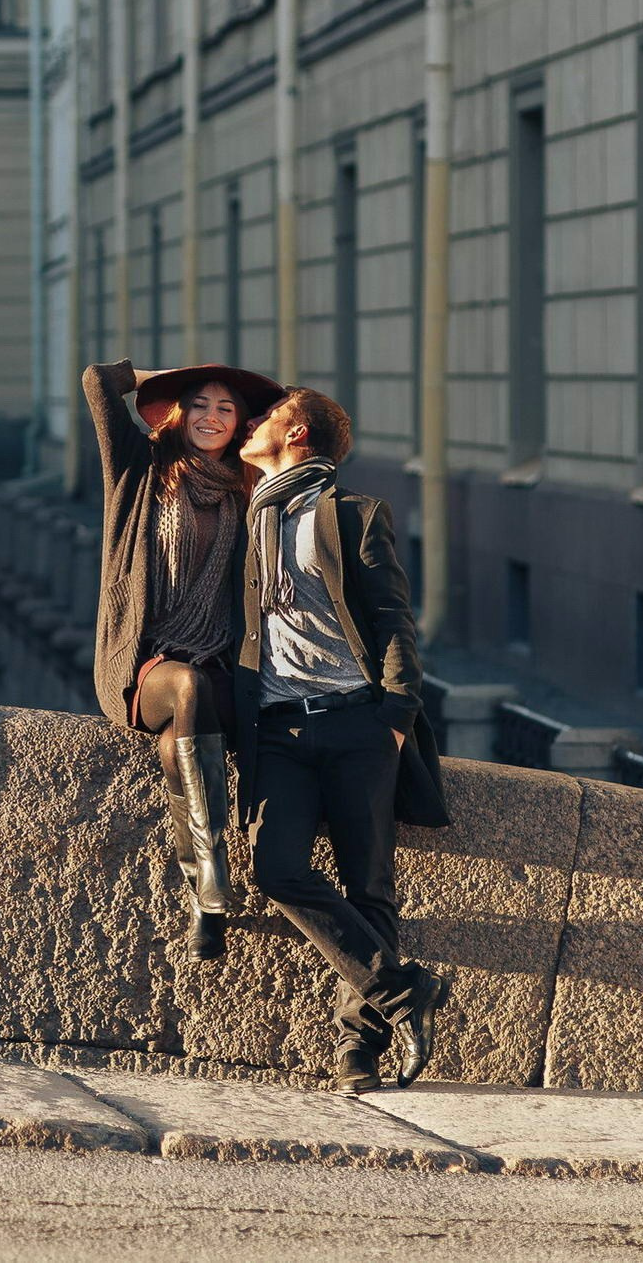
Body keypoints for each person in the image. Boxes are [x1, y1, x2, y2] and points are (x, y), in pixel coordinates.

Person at [236, 386, 452, 1093]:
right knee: (274, 868)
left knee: (369, 887)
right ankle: (402, 989)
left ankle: (356, 1050)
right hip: (277, 727)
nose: (242, 423)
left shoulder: (351, 515)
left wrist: (392, 719)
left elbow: (393, 621)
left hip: (356, 720)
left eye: (262, 416)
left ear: (295, 432)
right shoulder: (245, 514)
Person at [82, 359, 285, 960]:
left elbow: (303, 412)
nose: (212, 417)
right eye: (200, 403)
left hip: (225, 663)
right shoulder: (139, 467)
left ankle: (203, 895)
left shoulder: (251, 486)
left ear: (241, 424)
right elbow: (98, 382)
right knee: (187, 692)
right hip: (145, 666)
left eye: (226, 408)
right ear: (180, 411)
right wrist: (167, 374)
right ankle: (214, 866)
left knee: (181, 741)